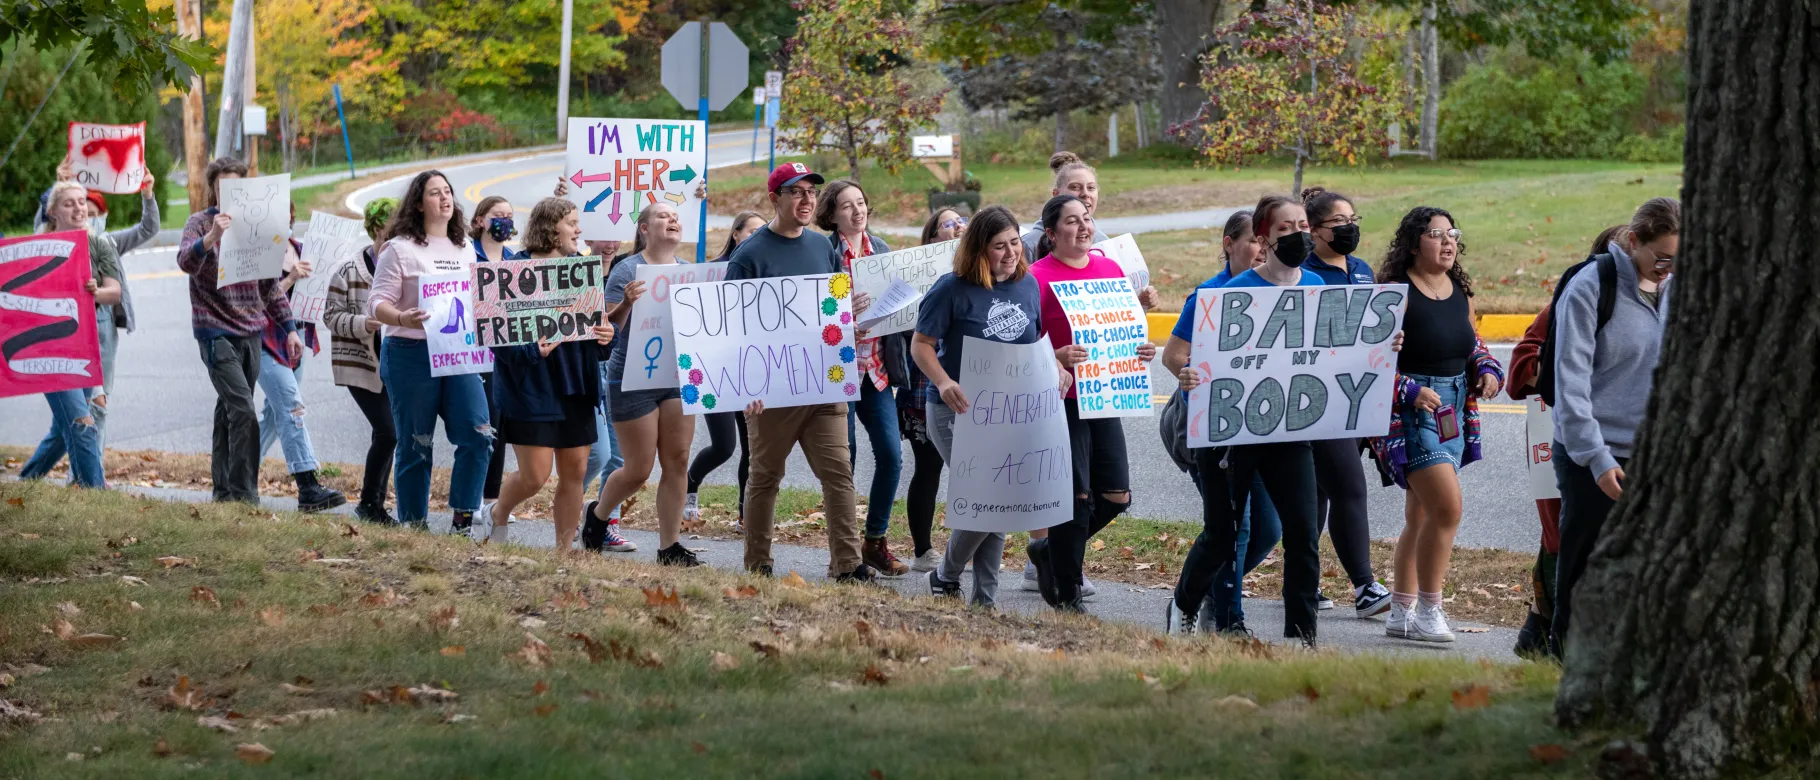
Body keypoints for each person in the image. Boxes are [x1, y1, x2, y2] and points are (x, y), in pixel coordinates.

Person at [1168, 194, 1329, 646]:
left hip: (1288, 429)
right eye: (1285, 228)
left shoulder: (1317, 287)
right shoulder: (1221, 295)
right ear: (1264, 237)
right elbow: (1175, 354)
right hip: (1227, 434)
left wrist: (1378, 345)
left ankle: (1302, 635)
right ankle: (1183, 603)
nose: (1298, 234)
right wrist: (1188, 373)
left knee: (1301, 533)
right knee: (1222, 535)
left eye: (1303, 225)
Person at [913, 205, 1069, 607]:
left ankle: (981, 597)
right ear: (978, 250)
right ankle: (948, 575)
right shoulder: (952, 288)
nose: (1010, 253)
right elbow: (921, 345)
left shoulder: (1027, 285)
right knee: (990, 499)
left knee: (995, 499)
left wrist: (1054, 367)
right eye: (999, 246)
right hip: (956, 410)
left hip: (1009, 412)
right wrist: (944, 381)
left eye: (1015, 243)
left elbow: (1034, 341)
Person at [727, 163, 875, 582]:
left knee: (839, 475)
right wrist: (744, 386)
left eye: (811, 192)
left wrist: (851, 318)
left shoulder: (820, 247)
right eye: (796, 192)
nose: (807, 200)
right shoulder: (749, 255)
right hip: (772, 390)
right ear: (775, 198)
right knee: (765, 477)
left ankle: (848, 565)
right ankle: (758, 564)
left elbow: (828, 313)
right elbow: (730, 327)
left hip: (824, 381)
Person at [1370, 206, 1504, 644]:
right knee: (1447, 508)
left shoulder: (1459, 289)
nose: (1448, 242)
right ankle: (1431, 608)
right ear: (1412, 243)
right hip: (1410, 412)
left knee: (1421, 514)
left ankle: (1401, 610)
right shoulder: (1393, 294)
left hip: (1453, 407)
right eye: (1436, 234)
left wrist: (1486, 368)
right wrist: (1408, 390)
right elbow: (1363, 362)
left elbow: (1472, 343)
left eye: (1452, 234)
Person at [1550, 198, 1679, 655]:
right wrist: (1598, 461)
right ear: (1632, 241)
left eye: (1679, 259)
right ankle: (1563, 666)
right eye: (1661, 257)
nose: (1668, 268)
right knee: (1586, 572)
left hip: (1655, 454)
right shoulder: (1592, 286)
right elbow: (1571, 385)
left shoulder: (1678, 288)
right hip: (1592, 454)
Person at [1024, 194, 1159, 612]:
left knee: (1116, 497)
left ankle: (1050, 552)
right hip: (1061, 399)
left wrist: (1140, 349)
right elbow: (1020, 345)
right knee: (1076, 499)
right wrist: (1055, 356)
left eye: (1087, 219)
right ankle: (1068, 593)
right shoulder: (1035, 278)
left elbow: (1120, 330)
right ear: (1051, 234)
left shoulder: (1109, 269)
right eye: (1072, 221)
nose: (1084, 227)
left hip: (1105, 395)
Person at [1160, 210, 1282, 636]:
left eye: (1266, 243)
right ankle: (1229, 621)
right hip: (1205, 429)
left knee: (1268, 529)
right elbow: (1173, 355)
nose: (1261, 249)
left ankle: (1202, 590)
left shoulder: (1278, 292)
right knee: (1236, 526)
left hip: (1260, 430)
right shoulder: (1209, 294)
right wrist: (1187, 371)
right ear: (1229, 243)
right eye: (1253, 241)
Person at [1505, 223, 1624, 656]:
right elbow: (1521, 369)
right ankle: (1554, 643)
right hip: (1568, 439)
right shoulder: (1577, 299)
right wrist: (1557, 372)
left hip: (1622, 441)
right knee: (1565, 534)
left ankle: (1537, 638)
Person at [482, 198, 616, 550]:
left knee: (574, 472)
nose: (579, 230)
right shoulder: (514, 269)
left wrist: (606, 338)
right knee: (535, 476)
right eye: (572, 222)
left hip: (576, 385)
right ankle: (497, 512)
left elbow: (596, 333)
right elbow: (496, 335)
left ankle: (563, 551)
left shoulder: (582, 270)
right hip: (530, 387)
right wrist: (531, 351)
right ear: (551, 227)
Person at [367, 170, 494, 531]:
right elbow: (375, 303)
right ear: (419, 204)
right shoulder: (400, 249)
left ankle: (463, 521)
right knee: (416, 441)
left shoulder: (465, 246)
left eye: (448, 191)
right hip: (410, 353)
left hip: (458, 353)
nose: (445, 198)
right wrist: (402, 318)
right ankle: (414, 523)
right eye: (435, 193)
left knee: (478, 432)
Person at [580, 201, 704, 564]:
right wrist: (628, 303)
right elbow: (605, 330)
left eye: (676, 217)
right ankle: (598, 514)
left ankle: (669, 547)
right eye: (664, 216)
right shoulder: (626, 269)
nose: (673, 221)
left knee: (678, 460)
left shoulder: (689, 272)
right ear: (645, 229)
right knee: (638, 469)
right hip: (630, 377)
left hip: (676, 377)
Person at [177, 157, 303, 504]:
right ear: (214, 189)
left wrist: (290, 329)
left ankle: (223, 492)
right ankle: (245, 495)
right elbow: (185, 261)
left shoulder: (256, 226)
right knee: (244, 411)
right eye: (223, 187)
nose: (230, 193)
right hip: (214, 331)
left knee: (228, 410)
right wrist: (212, 237)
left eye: (237, 186)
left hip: (251, 330)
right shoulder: (199, 223)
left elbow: (270, 287)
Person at [1300, 187, 1392, 617]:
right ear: (1314, 231)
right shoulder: (1305, 272)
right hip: (1318, 401)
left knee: (1320, 491)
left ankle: (1305, 579)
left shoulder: (1360, 270)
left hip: (1356, 395)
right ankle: (1365, 586)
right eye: (1339, 223)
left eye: (1353, 219)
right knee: (1350, 488)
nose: (1349, 229)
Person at [819, 180, 912, 577]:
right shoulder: (825, 253)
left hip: (875, 370)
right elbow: (812, 309)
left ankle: (874, 542)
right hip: (839, 370)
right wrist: (841, 312)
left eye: (861, 203)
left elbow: (901, 304)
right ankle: (843, 552)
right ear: (832, 214)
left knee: (891, 456)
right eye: (846, 206)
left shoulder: (883, 251)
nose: (857, 212)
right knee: (845, 463)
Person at [16, 182, 122, 489]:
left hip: (84, 346)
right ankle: (96, 494)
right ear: (52, 212)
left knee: (67, 428)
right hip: (49, 346)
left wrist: (96, 291)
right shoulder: (37, 245)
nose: (78, 209)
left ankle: (27, 482)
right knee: (81, 422)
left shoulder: (99, 244)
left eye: (81, 202)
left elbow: (114, 292)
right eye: (69, 204)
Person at [253, 203, 347, 513]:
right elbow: (257, 302)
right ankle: (308, 485)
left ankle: (238, 476)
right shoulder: (257, 254)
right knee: (292, 408)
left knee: (274, 415)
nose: (285, 219)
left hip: (295, 339)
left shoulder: (299, 247)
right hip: (265, 340)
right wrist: (291, 277)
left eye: (288, 213)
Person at [683, 211, 766, 530]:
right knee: (724, 447)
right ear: (736, 234)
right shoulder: (713, 273)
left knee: (751, 448)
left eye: (764, 231)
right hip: (715, 372)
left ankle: (746, 516)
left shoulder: (766, 273)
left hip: (750, 372)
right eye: (752, 231)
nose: (759, 236)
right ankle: (690, 485)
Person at [322, 197, 402, 524]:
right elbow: (330, 316)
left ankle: (374, 504)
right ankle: (370, 503)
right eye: (392, 226)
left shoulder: (403, 264)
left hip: (396, 365)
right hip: (362, 366)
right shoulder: (349, 271)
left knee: (388, 433)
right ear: (376, 228)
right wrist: (362, 324)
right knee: (388, 432)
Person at [898, 207, 967, 572]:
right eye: (948, 224)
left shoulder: (978, 273)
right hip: (926, 385)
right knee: (929, 468)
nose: (957, 227)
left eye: (962, 222)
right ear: (932, 238)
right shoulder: (919, 278)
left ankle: (965, 545)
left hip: (969, 384)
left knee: (970, 468)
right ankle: (924, 550)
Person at [468, 195, 519, 521]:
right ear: (480, 220)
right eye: (497, 215)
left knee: (498, 425)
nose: (504, 221)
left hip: (504, 353)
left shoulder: (515, 259)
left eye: (509, 216)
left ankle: (490, 499)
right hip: (471, 352)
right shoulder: (466, 254)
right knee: (478, 427)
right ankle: (471, 496)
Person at [1019, 152, 1109, 259]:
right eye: (1075, 187)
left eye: (1091, 188)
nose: (1085, 194)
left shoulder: (1105, 244)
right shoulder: (1030, 246)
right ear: (1056, 194)